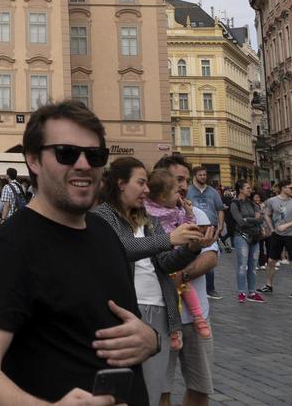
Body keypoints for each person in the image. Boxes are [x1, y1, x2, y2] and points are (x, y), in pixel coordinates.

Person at [0, 100, 157, 406]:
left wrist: (151, 339)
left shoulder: (105, 232)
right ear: (34, 160)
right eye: (66, 153)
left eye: (94, 155)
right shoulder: (8, 250)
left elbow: (124, 324)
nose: (83, 164)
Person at [95, 157, 204, 403]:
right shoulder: (103, 216)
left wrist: (191, 248)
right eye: (141, 183)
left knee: (153, 390)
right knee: (124, 390)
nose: (147, 189)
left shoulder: (148, 218)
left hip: (160, 308)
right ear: (122, 184)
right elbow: (120, 248)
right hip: (126, 310)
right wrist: (169, 239)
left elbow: (165, 263)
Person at [156, 154, 219, 406]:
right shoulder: (148, 219)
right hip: (159, 319)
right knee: (160, 389)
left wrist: (180, 275)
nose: (183, 185)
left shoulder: (197, 215)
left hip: (196, 317)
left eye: (185, 179)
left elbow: (210, 258)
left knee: (201, 388)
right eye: (177, 179)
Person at [260, 181, 292, 298]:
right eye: (291, 188)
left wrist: (286, 226)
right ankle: (268, 285)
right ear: (283, 188)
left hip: (290, 236)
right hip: (277, 235)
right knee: (271, 261)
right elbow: (266, 214)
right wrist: (271, 228)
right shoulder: (272, 201)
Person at [186, 166, 225, 300]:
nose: (203, 177)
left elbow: (220, 209)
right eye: (200, 175)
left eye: (204, 175)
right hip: (194, 228)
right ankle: (191, 287)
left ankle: (210, 288)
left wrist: (220, 226)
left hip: (211, 228)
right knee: (193, 257)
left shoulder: (213, 192)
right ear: (194, 176)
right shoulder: (189, 190)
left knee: (209, 256)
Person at [227, 184, 268, 303]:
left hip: (254, 236)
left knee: (253, 266)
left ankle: (252, 292)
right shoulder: (235, 204)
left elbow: (260, 219)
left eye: (250, 188)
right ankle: (241, 292)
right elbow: (239, 222)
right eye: (248, 188)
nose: (250, 190)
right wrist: (254, 220)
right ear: (240, 189)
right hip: (241, 236)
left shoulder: (252, 203)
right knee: (242, 265)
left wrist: (249, 220)